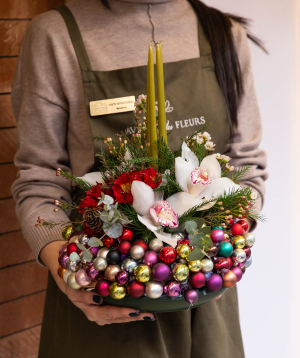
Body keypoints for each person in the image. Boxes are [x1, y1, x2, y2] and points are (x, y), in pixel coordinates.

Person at [11, 0, 267, 357]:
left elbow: (247, 165)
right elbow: (40, 178)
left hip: (207, 295)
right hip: (102, 300)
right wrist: (69, 273)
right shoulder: (55, 36)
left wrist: (228, 244)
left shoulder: (224, 35)